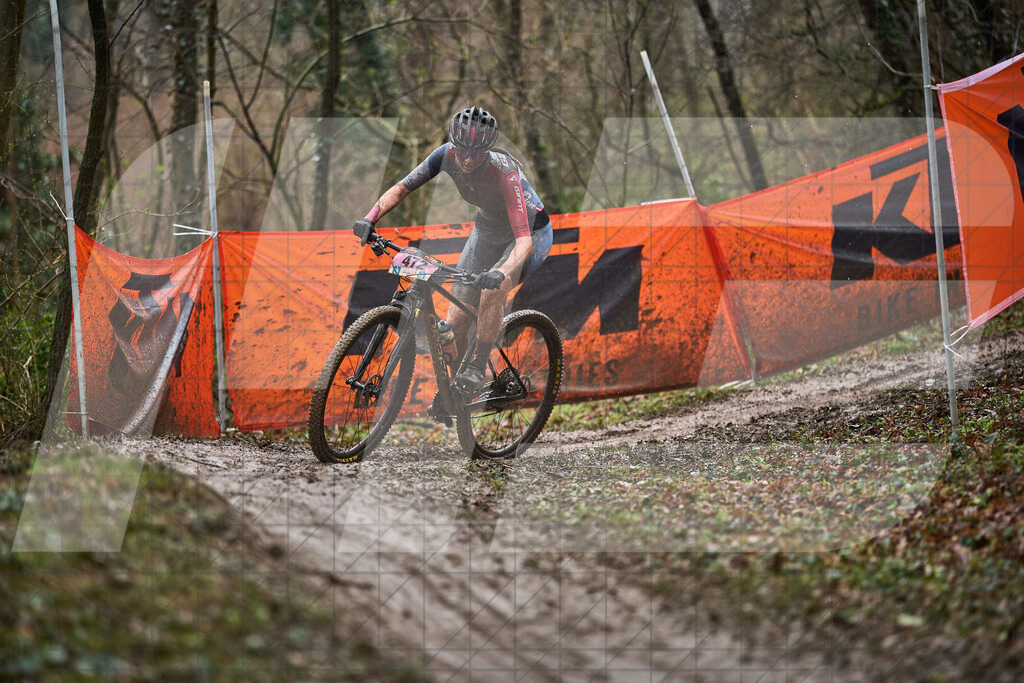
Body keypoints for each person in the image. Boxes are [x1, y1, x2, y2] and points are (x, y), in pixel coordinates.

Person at [352, 105, 553, 405]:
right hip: (487, 230)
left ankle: (477, 365)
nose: (468, 160)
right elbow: (403, 188)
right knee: (456, 322)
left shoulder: (504, 172)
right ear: (453, 146)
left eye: (477, 154)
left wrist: (501, 272)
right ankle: (457, 395)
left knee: (492, 291)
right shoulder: (444, 155)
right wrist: (371, 218)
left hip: (531, 234)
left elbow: (523, 241)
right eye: (463, 152)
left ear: (487, 150)